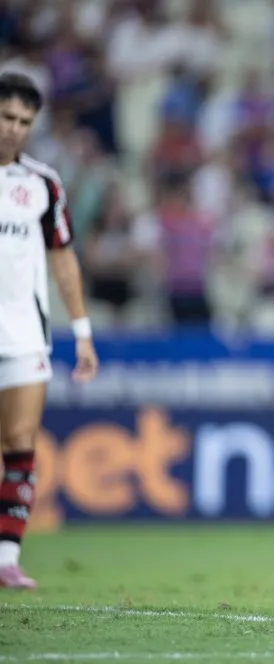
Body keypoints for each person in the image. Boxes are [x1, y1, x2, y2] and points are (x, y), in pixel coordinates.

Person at [0, 72, 98, 589]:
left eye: (23, 122)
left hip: (22, 334)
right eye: (6, 117)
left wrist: (81, 331)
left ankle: (6, 557)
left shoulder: (41, 184)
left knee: (19, 442)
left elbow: (63, 261)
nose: (14, 129)